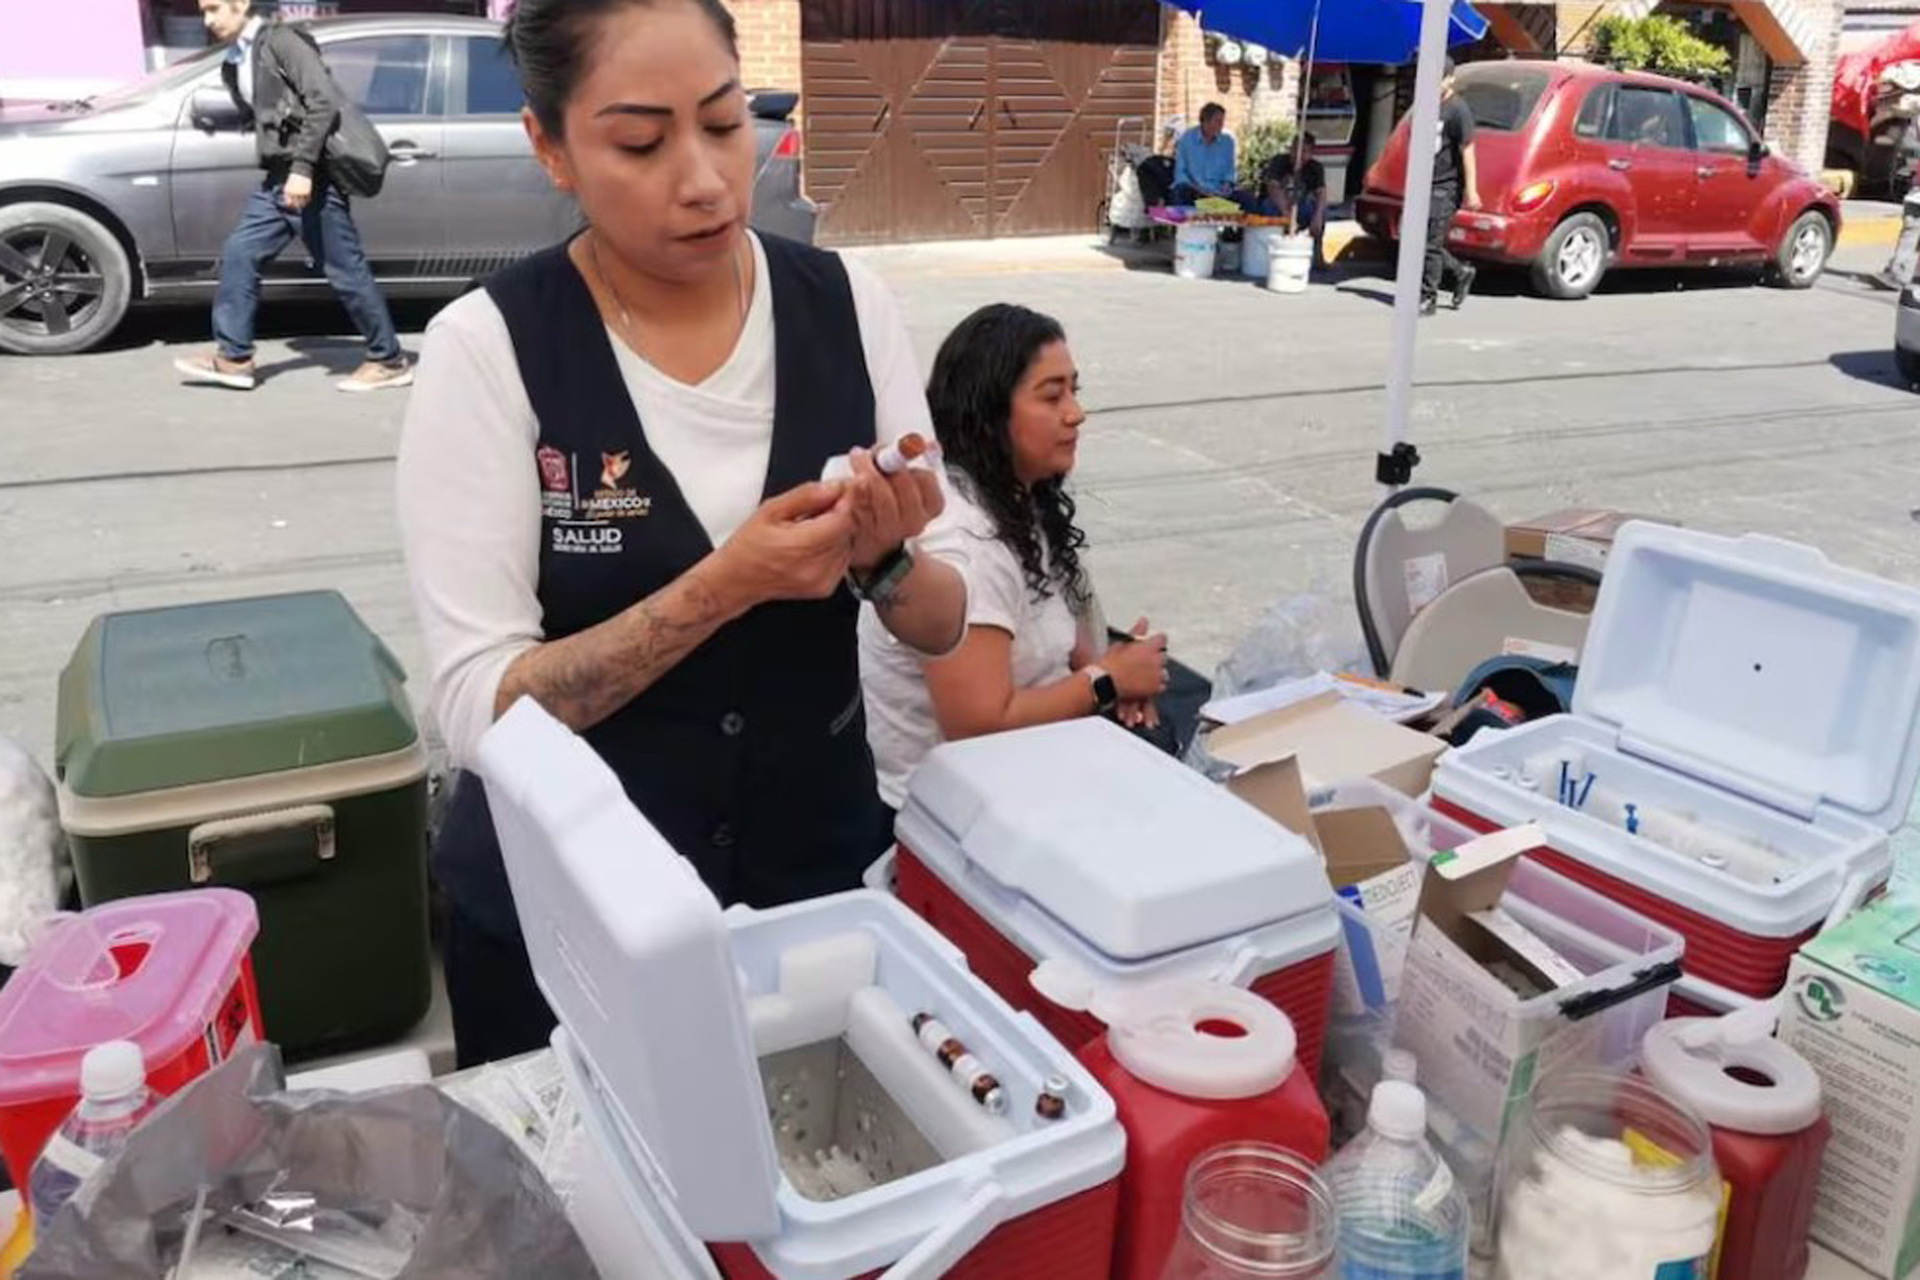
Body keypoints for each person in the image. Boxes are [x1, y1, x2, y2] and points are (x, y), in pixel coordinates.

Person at [396, 0, 969, 1067]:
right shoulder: (489, 349)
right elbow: (480, 708)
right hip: (568, 935)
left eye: (723, 121)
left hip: (809, 897)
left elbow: (941, 624)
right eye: (640, 143)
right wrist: (727, 584)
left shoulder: (847, 304)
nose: (704, 178)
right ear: (551, 148)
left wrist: (885, 560)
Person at [861, 304, 1170, 812]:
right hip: (958, 820)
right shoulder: (965, 540)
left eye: (1074, 390)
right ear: (989, 417)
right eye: (1051, 396)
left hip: (1033, 774)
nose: (1075, 413)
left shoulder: (1018, 498)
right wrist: (1108, 682)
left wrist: (1121, 670)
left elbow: (1067, 651)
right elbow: (978, 725)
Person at [174, 0, 411, 393]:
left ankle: (389, 359)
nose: (207, 20)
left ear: (242, 4)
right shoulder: (236, 59)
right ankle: (234, 358)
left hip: (310, 177)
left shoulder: (282, 41)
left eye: (214, 8)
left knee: (345, 270)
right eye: (203, 11)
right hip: (278, 179)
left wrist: (302, 169)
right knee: (240, 253)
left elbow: (323, 101)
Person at [1422, 59, 1481, 317]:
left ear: (1450, 80)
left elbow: (1468, 150)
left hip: (1446, 185)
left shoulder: (1458, 110)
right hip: (1425, 182)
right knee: (1418, 241)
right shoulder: (1426, 105)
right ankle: (1460, 272)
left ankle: (1428, 298)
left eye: (1439, 80)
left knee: (1431, 243)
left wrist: (1472, 190)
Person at [1262, 131, 1329, 267]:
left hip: (1300, 206)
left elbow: (1321, 193)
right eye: (1295, 149)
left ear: (1311, 153)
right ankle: (1271, 252)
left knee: (1319, 210)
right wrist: (1287, 214)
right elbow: (1273, 188)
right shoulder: (1279, 161)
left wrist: (1318, 216)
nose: (1298, 155)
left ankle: (1317, 253)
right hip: (1278, 206)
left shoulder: (1315, 168)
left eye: (1304, 151)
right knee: (1267, 207)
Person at [1171, 104, 1246, 206]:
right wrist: (1198, 189)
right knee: (1180, 192)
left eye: (1222, 121)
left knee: (1246, 198)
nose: (1221, 125)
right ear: (1205, 121)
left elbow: (1230, 172)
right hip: (1194, 190)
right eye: (1217, 121)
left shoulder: (1227, 142)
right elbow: (1180, 173)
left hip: (1218, 191)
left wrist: (1226, 186)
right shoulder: (1187, 139)